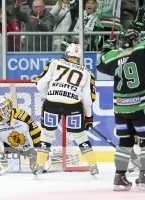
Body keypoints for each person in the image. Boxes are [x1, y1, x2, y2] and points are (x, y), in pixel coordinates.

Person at [32, 43, 98, 179]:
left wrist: (49, 95)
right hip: (73, 105)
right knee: (80, 137)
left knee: (46, 135)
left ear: (67, 54)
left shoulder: (54, 63)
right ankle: (93, 167)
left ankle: (39, 166)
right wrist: (89, 118)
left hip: (52, 103)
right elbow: (87, 99)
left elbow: (40, 84)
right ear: (79, 57)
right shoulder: (86, 72)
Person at [96, 25, 145, 191]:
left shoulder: (113, 56)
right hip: (139, 105)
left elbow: (100, 63)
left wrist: (106, 48)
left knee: (125, 141)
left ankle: (119, 177)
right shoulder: (140, 50)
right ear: (134, 41)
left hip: (120, 109)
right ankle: (144, 177)